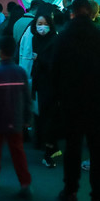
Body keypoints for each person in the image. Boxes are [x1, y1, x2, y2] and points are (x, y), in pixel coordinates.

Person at [50, 0, 100, 201]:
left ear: (72, 12)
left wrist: (55, 99)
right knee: (99, 151)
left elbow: (54, 71)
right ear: (93, 14)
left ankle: (70, 191)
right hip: (98, 100)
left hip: (71, 101)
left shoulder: (63, 36)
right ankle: (99, 198)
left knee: (72, 148)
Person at [0, 37, 33, 198]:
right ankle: (25, 184)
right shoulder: (21, 72)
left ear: (0, 52)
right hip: (16, 118)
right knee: (18, 151)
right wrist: (27, 118)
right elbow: (27, 97)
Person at [19, 11, 61, 166]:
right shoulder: (35, 39)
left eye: (45, 24)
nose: (42, 27)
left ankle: (49, 149)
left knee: (49, 115)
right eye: (39, 24)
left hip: (52, 83)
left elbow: (55, 63)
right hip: (39, 82)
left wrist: (40, 59)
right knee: (42, 114)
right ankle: (48, 145)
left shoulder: (55, 39)